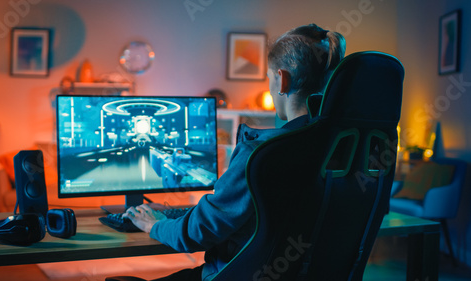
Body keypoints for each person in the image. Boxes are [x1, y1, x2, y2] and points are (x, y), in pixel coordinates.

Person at [119, 23, 346, 281]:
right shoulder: (342, 151)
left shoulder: (260, 155)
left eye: (270, 78)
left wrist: (155, 224)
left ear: (282, 80)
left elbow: (198, 232)